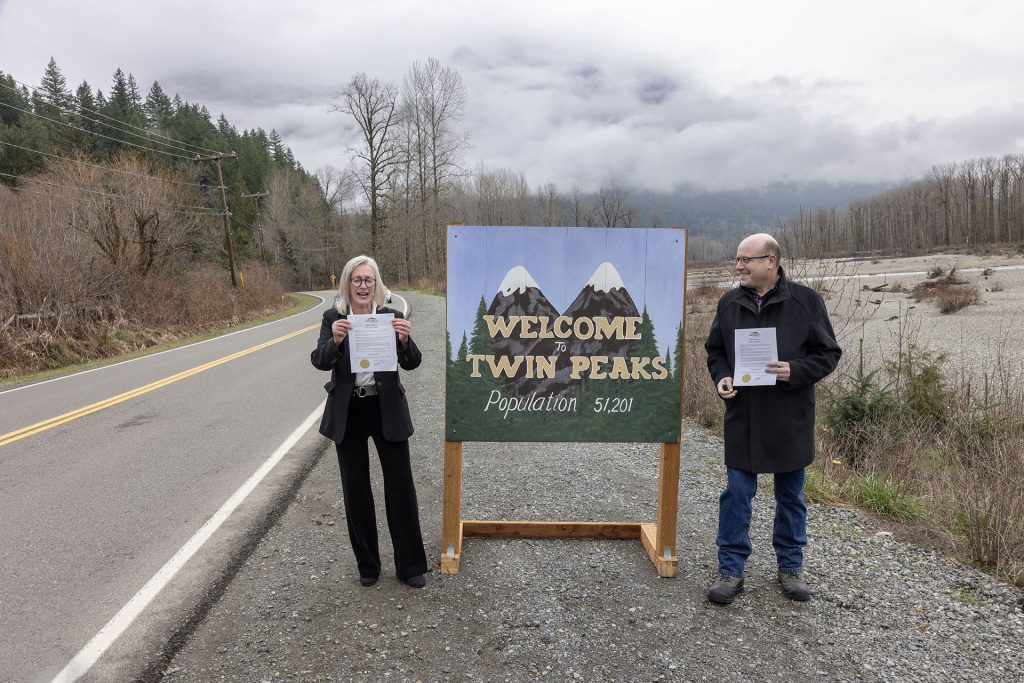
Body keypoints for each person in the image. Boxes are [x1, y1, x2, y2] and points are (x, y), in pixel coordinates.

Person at [704, 233, 841, 604]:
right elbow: (715, 350)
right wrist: (722, 377)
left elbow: (828, 354)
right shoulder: (729, 303)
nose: (739, 266)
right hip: (743, 417)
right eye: (737, 259)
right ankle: (730, 571)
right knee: (736, 495)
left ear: (771, 261)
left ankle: (791, 568)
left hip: (789, 417)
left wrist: (794, 370)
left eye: (746, 260)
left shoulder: (806, 301)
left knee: (791, 496)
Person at [311, 255, 429, 588]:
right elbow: (319, 361)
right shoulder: (333, 318)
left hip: (386, 408)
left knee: (401, 487)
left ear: (376, 285)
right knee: (356, 490)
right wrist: (335, 341)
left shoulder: (391, 317)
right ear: (347, 283)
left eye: (369, 280)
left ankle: (410, 566)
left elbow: (412, 362)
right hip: (349, 411)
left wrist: (405, 340)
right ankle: (368, 565)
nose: (363, 286)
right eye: (357, 280)